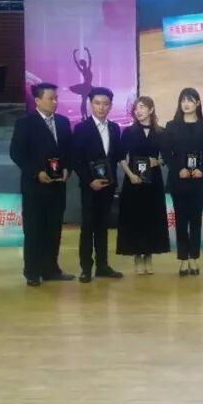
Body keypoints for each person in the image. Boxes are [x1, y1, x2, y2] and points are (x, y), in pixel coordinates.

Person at [8, 82, 74, 287]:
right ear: (37, 100)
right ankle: (32, 271)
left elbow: (69, 151)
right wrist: (36, 172)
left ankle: (51, 268)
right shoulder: (25, 123)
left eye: (56, 98)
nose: (55, 102)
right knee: (34, 229)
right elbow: (16, 153)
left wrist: (67, 169)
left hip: (57, 185)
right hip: (35, 187)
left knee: (54, 228)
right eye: (50, 98)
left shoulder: (63, 122)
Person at [71, 87, 124, 283]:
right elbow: (76, 159)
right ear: (90, 104)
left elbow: (117, 156)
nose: (101, 107)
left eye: (105, 104)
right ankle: (86, 268)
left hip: (108, 186)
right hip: (90, 187)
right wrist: (89, 180)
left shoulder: (115, 128)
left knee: (103, 227)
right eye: (97, 103)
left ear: (110, 106)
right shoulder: (81, 128)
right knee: (88, 227)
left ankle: (102, 265)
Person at [117, 96, 170, 274]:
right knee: (135, 218)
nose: (138, 111)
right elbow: (121, 157)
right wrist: (130, 175)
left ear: (151, 110)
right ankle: (137, 256)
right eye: (136, 108)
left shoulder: (161, 132)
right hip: (134, 181)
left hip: (153, 181)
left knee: (152, 218)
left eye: (142, 107)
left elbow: (167, 156)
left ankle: (149, 255)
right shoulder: (129, 132)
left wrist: (158, 161)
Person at [163, 88, 203, 277]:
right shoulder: (171, 126)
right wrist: (179, 169)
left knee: (196, 220)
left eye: (190, 100)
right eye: (183, 100)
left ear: (198, 103)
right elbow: (166, 153)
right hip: (179, 180)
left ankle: (194, 257)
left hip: (199, 180)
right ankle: (183, 258)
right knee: (181, 220)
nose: (186, 104)